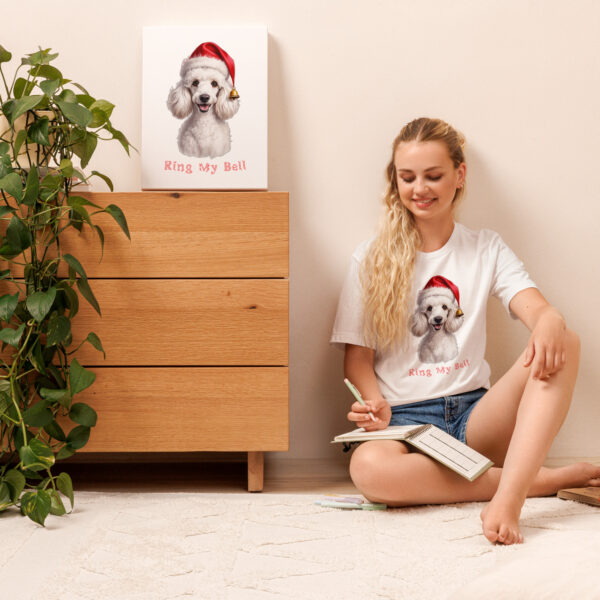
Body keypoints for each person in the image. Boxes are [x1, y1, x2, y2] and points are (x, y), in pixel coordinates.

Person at [330, 117, 600, 545]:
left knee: (564, 339)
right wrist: (374, 403)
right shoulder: (370, 257)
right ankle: (537, 480)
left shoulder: (484, 248)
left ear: (459, 175)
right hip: (404, 425)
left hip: (476, 420)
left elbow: (534, 307)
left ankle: (508, 497)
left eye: (434, 176)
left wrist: (549, 318)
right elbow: (357, 357)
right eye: (408, 177)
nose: (420, 188)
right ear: (395, 181)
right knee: (368, 470)